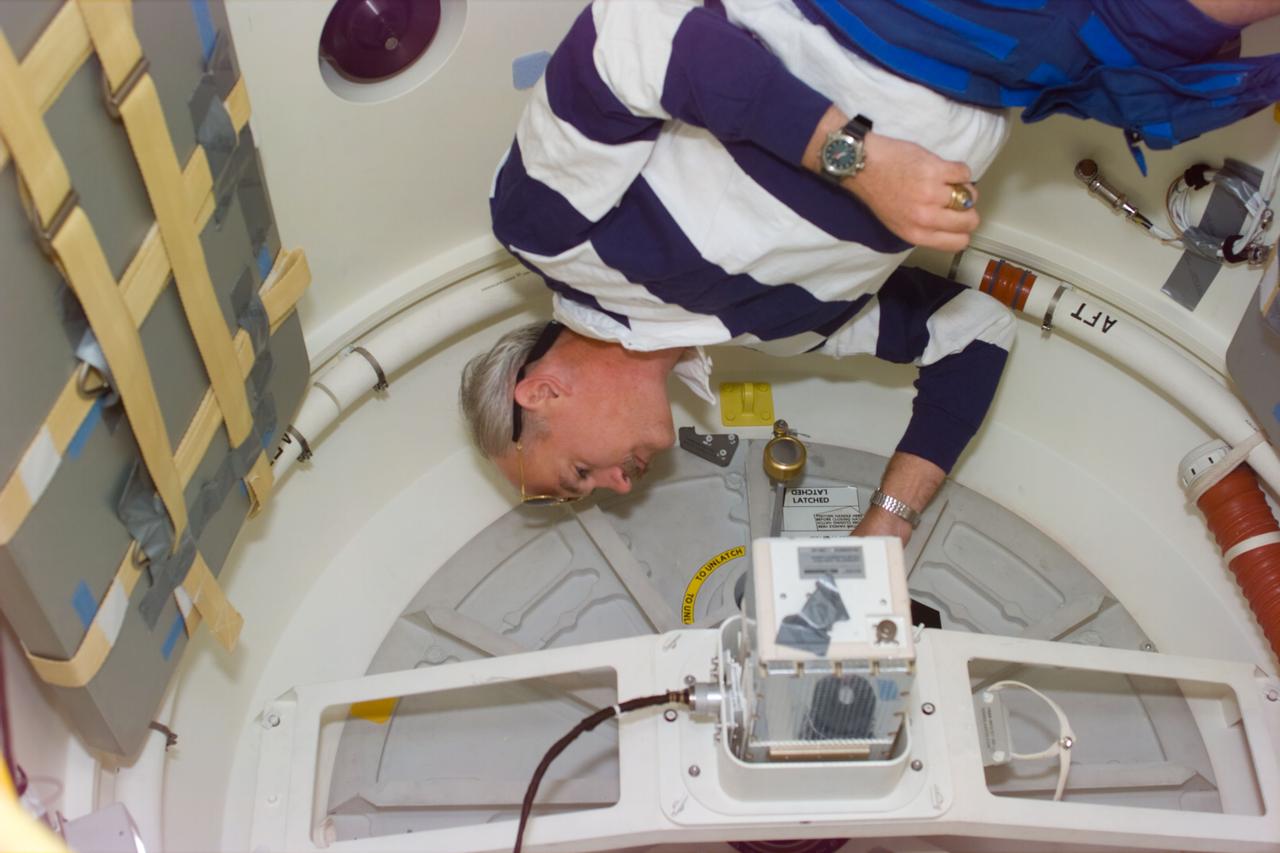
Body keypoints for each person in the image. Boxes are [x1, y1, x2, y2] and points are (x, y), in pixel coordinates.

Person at [460, 0, 1280, 543]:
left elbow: (636, 36)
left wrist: (851, 159)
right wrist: (887, 524)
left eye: (577, 473)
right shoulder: (782, 330)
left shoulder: (549, 234)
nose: (612, 484)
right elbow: (975, 333)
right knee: (1186, 73)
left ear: (541, 392)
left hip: (891, 13)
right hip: (1023, 66)